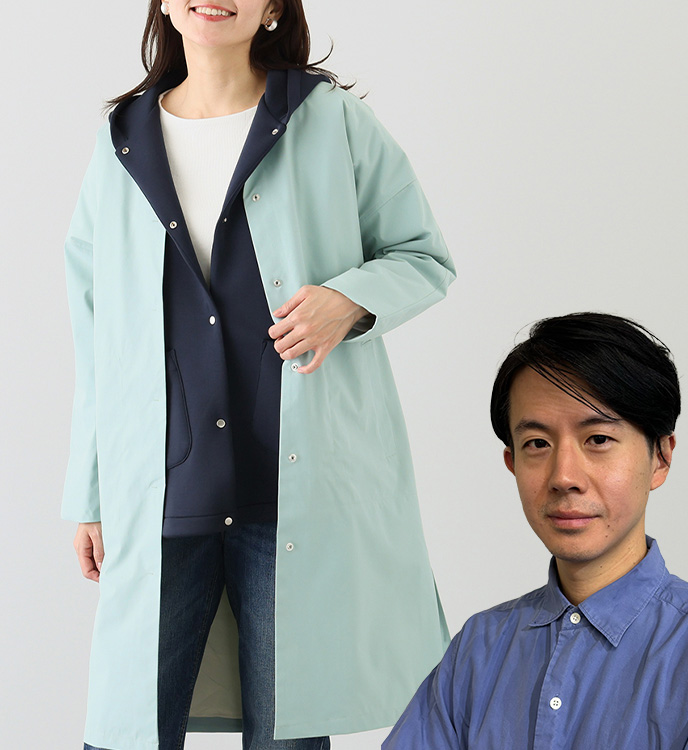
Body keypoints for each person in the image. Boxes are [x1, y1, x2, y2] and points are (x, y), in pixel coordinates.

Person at [62, 2, 455, 748]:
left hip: (292, 488)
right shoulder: (122, 141)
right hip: (163, 487)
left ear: (274, 7)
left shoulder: (329, 120)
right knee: (124, 733)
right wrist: (89, 491)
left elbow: (422, 254)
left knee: (288, 736)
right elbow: (95, 335)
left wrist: (350, 300)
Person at [383, 312, 688, 749]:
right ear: (512, 462)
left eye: (598, 439)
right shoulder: (478, 649)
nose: (564, 477)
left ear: (661, 457)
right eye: (538, 444)